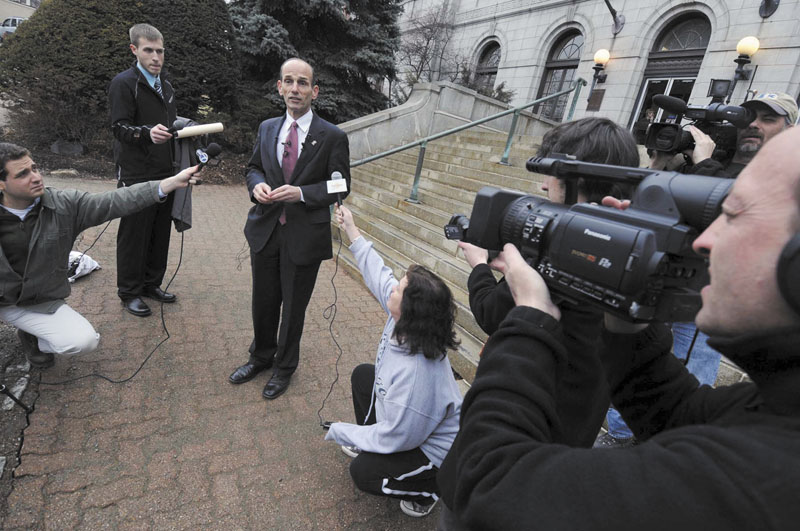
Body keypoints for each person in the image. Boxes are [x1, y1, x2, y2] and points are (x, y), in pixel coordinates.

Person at [437, 125, 800, 529]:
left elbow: (491, 484)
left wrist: (531, 317)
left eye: (731, 215)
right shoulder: (777, 410)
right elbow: (677, 410)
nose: (703, 241)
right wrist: (626, 324)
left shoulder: (750, 481)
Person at [458, 117, 639, 449]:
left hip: (523, 429)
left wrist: (480, 267)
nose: (544, 186)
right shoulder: (626, 249)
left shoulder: (559, 250)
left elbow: (490, 314)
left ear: (572, 179)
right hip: (578, 425)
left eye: (552, 175)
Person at [0, 142, 199, 368]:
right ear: (2, 184)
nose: (36, 177)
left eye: (35, 168)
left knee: (83, 341)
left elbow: (113, 202)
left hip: (38, 302)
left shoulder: (64, 205)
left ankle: (33, 336)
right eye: (23, 174)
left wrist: (170, 183)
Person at [324, 205, 462, 518]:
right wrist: (352, 229)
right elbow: (378, 273)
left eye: (399, 288)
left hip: (431, 452)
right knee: (364, 377)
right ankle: (376, 451)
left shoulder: (418, 376)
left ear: (412, 310)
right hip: (410, 429)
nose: (393, 286)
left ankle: (429, 490)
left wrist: (342, 431)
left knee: (363, 473)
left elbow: (398, 436)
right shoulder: (405, 319)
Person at [229, 58, 351, 400]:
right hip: (265, 230)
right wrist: (255, 186)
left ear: (314, 91)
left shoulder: (333, 136)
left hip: (304, 236)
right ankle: (260, 357)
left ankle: (284, 367)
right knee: (263, 302)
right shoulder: (268, 127)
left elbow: (341, 187)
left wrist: (302, 193)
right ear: (279, 87)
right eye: (289, 81)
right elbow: (253, 168)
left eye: (302, 83)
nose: (295, 89)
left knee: (293, 307)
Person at [108, 23, 179, 318]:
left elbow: (169, 124)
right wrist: (146, 134)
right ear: (134, 50)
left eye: (160, 51)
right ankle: (129, 292)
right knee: (134, 234)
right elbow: (118, 127)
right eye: (148, 50)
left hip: (166, 171)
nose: (156, 57)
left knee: (159, 231)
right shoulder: (124, 83)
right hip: (136, 172)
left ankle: (151, 284)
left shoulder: (167, 85)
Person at [650, 91, 797, 178]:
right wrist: (658, 165)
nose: (752, 124)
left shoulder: (784, 178)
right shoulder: (710, 159)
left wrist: (704, 163)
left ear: (789, 131)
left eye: (768, 119)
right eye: (748, 118)